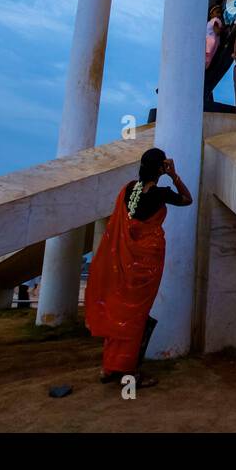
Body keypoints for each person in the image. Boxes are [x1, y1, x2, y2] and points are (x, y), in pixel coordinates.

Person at [85, 147, 192, 389]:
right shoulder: (159, 194)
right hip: (145, 265)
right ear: (160, 168)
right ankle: (129, 372)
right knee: (135, 316)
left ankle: (109, 366)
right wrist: (174, 175)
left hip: (122, 263)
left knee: (119, 312)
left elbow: (119, 228)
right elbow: (187, 199)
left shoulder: (128, 189)